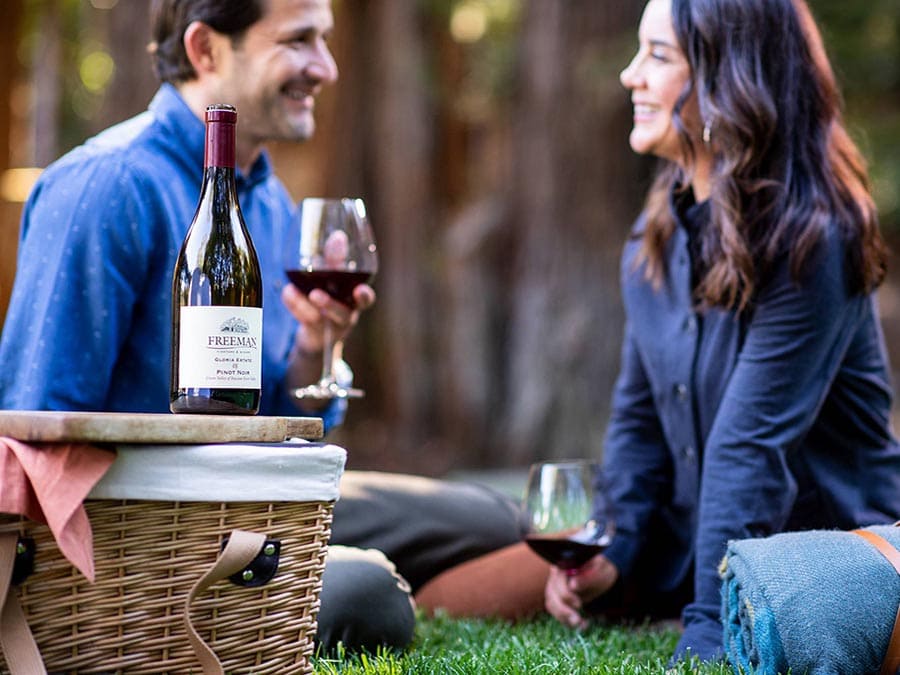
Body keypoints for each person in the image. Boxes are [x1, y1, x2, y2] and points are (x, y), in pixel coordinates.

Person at [0, 0, 526, 653]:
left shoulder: (267, 201)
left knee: (505, 518)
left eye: (326, 41)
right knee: (366, 595)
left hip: (262, 495)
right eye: (299, 41)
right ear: (206, 50)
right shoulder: (104, 187)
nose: (327, 68)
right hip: (148, 538)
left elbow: (272, 407)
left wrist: (313, 343)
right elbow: (31, 438)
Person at [418, 0, 900, 665]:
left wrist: (706, 631)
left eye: (659, 56)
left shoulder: (816, 239)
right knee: (440, 597)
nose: (629, 75)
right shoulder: (657, 236)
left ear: (730, 81)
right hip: (681, 543)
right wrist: (610, 555)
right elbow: (638, 426)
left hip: (816, 555)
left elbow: (748, 448)